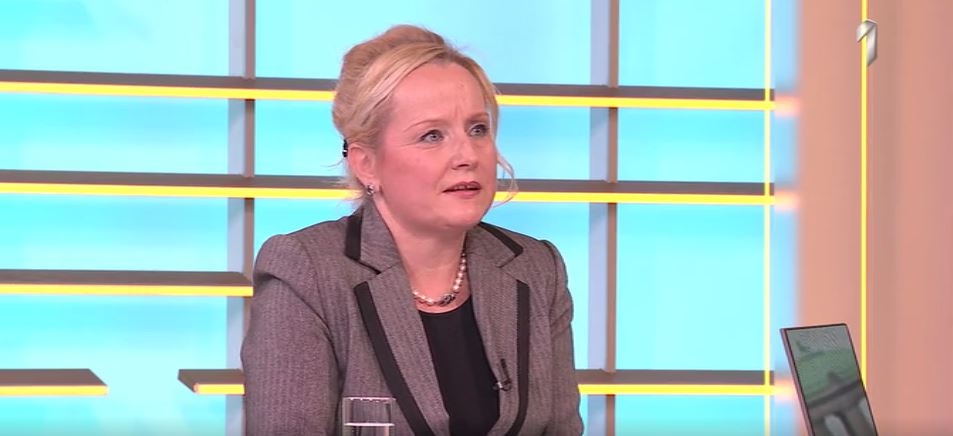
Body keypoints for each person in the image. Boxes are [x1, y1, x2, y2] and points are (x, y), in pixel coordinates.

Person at [241, 24, 582, 435]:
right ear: (366, 163)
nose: (467, 155)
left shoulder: (536, 268)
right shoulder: (307, 273)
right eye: (431, 136)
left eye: (478, 129)